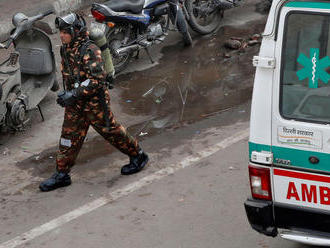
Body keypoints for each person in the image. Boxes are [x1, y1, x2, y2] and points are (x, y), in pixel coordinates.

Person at [39, 13, 148, 192]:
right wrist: (67, 94)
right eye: (60, 32)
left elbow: (96, 80)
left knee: (111, 131)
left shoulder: (90, 49)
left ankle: (139, 156)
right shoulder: (65, 48)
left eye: (65, 32)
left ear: (75, 31)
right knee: (68, 137)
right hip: (75, 104)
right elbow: (70, 73)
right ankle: (62, 174)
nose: (61, 35)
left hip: (95, 103)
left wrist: (73, 93)